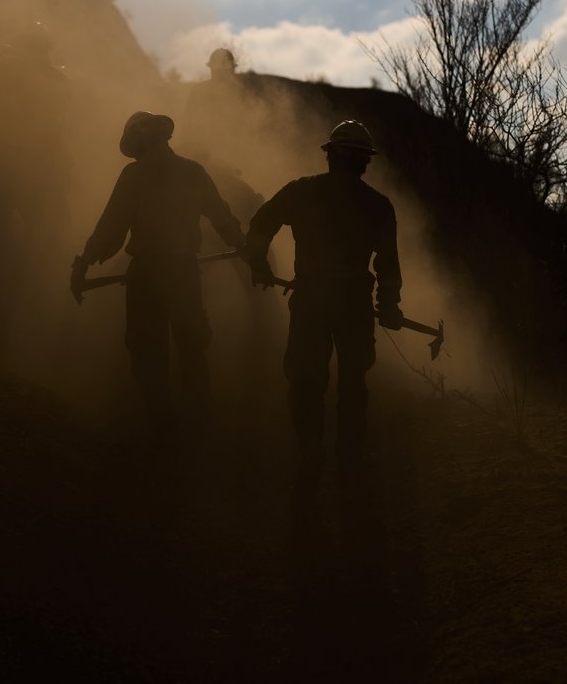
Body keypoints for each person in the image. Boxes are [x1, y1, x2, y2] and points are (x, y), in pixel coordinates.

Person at [245, 120, 403, 498]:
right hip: (353, 304)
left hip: (311, 300)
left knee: (306, 378)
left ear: (330, 155)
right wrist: (389, 305)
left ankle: (310, 451)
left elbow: (262, 222)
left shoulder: (303, 191)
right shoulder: (377, 205)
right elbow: (387, 264)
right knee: (352, 381)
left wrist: (258, 263)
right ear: (364, 162)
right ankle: (348, 456)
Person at [72, 111, 245, 429]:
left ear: (142, 143)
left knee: (153, 350)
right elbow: (221, 217)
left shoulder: (136, 175)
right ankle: (193, 423)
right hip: (178, 273)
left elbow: (111, 228)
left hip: (149, 274)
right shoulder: (189, 171)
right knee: (188, 347)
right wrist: (243, 246)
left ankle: (164, 423)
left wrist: (86, 260)